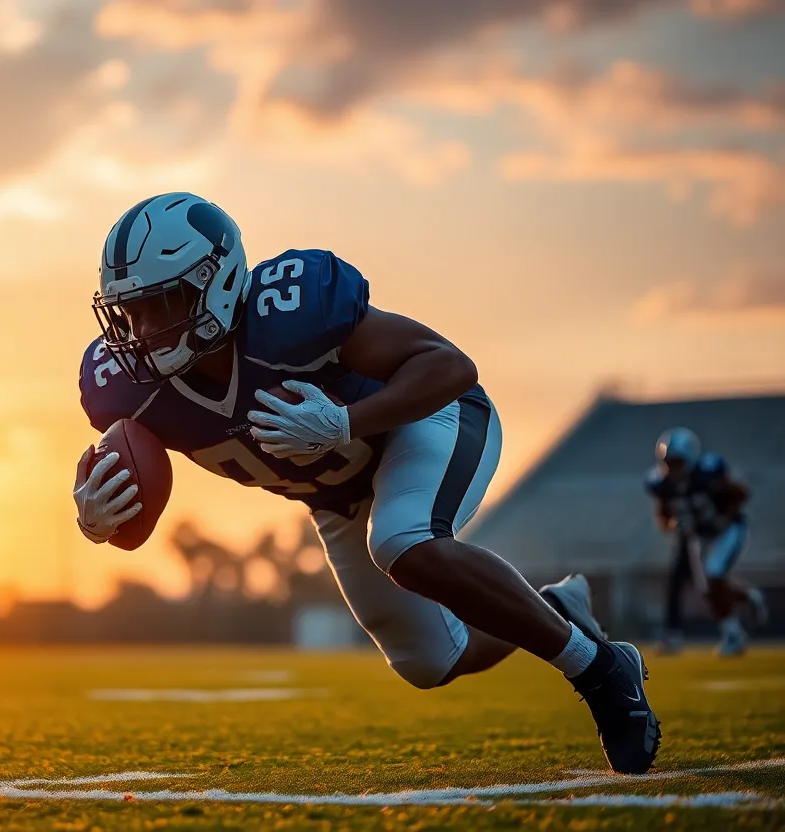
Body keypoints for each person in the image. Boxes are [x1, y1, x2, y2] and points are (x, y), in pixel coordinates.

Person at [73, 193, 660, 774]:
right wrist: (98, 520)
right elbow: (131, 526)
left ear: (217, 282)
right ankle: (557, 609)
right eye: (131, 311)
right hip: (337, 498)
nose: (143, 330)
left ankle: (601, 669)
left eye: (161, 304)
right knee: (433, 661)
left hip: (424, 419)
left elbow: (449, 366)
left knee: (403, 540)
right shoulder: (126, 387)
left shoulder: (291, 312)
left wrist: (348, 420)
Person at [646, 427, 767, 656]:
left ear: (690, 458)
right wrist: (672, 525)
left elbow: (740, 493)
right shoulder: (662, 484)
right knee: (707, 589)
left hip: (728, 530)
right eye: (669, 462)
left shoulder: (707, 474)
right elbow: (663, 516)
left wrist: (725, 518)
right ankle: (748, 599)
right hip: (699, 536)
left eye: (677, 462)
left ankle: (733, 636)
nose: (672, 468)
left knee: (713, 574)